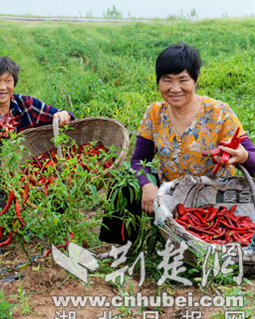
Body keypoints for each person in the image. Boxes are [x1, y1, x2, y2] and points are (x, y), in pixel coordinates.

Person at [99, 42, 255, 245]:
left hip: (214, 199)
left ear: (196, 80)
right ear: (158, 83)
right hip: (170, 195)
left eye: (183, 80)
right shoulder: (155, 113)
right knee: (124, 183)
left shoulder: (219, 113)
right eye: (167, 80)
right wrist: (147, 185)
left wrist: (243, 157)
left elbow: (252, 158)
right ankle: (119, 248)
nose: (175, 89)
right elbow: (139, 159)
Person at [0, 56, 75, 158]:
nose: (2, 87)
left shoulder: (28, 104)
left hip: (30, 166)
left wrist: (64, 114)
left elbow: (58, 115)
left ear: (14, 83)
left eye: (8, 81)